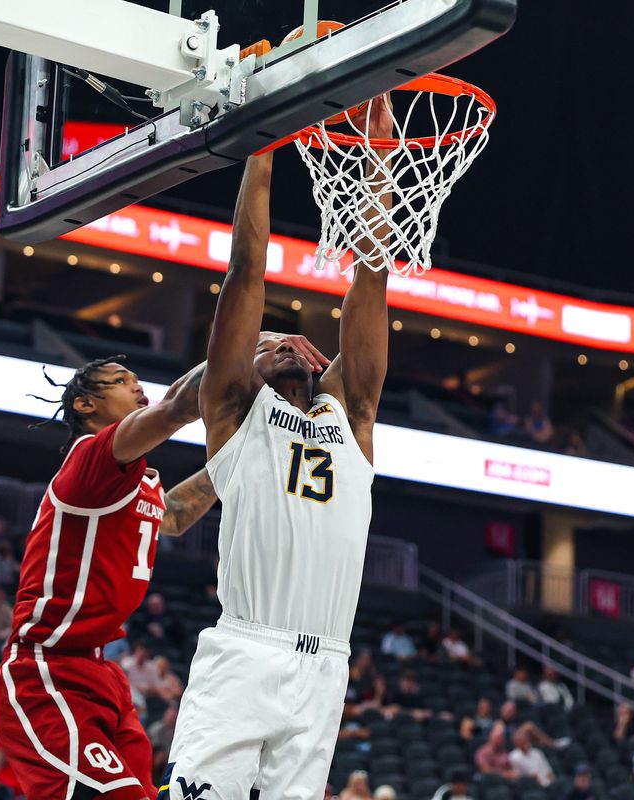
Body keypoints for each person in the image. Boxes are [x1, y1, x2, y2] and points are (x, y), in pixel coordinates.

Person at [168, 113, 389, 797]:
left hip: (325, 669)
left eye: (295, 339)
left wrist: (378, 139)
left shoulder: (351, 415)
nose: (287, 341)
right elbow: (247, 267)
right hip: (245, 653)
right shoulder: (235, 415)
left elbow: (372, 273)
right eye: (269, 342)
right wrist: (263, 141)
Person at [0, 323, 307, 799]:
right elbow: (179, 406)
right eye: (120, 380)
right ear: (85, 405)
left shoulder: (137, 481)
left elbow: (175, 515)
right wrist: (250, 341)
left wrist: (247, 450)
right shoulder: (90, 462)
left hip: (101, 674)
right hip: (46, 670)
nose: (136, 385)